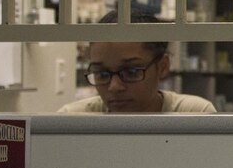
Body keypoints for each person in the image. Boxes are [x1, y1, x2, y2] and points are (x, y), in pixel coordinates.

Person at [58, 35, 217, 114]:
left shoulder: (193, 114)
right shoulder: (73, 119)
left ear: (162, 67)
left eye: (131, 72)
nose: (114, 87)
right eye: (102, 74)